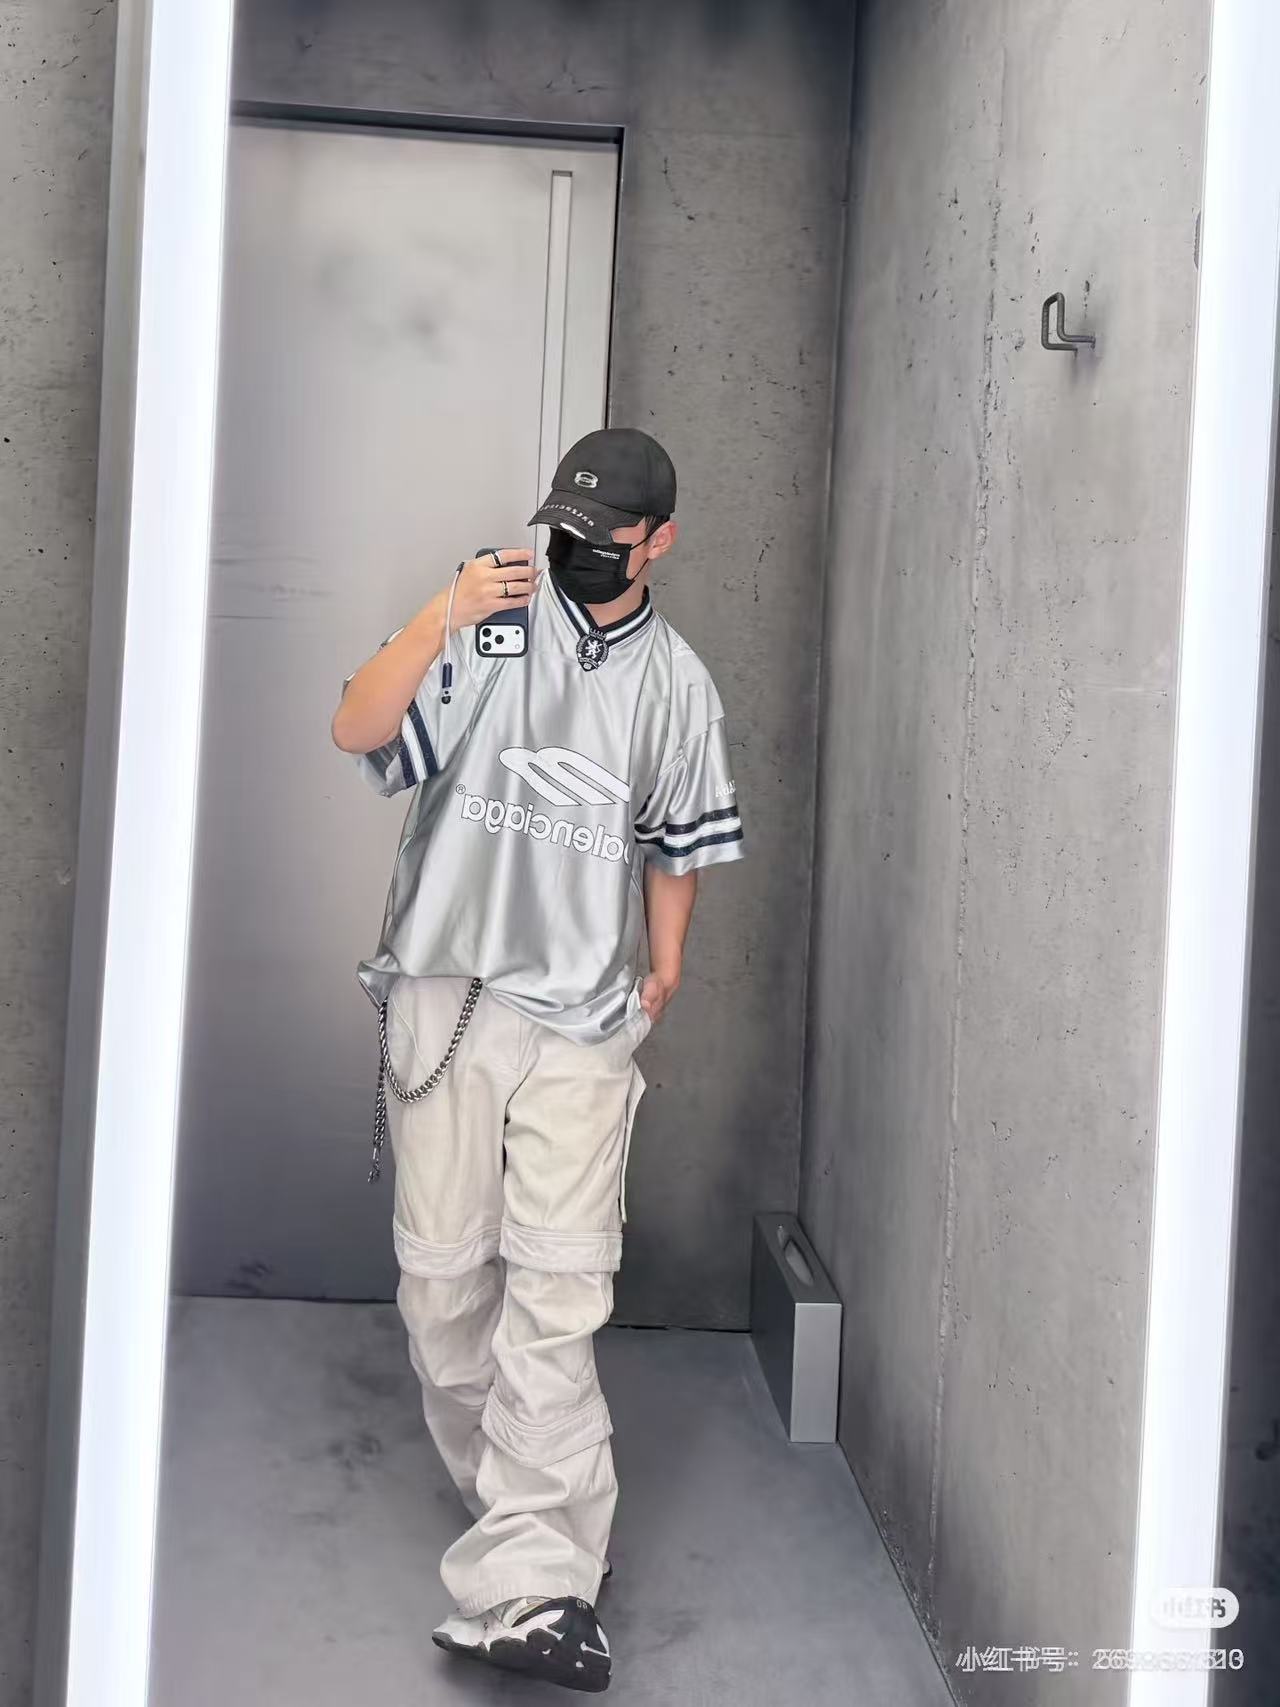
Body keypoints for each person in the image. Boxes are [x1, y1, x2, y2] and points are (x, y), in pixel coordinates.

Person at [331, 427, 744, 1693]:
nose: (572, 549)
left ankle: (538, 1582)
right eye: (559, 527)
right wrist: (437, 613)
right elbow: (356, 729)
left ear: (658, 543)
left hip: (580, 1019)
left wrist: (663, 962)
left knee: (558, 1293)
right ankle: (531, 1527)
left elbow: (676, 842)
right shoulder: (484, 629)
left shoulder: (677, 685)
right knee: (443, 1287)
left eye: (603, 536)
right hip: (447, 1000)